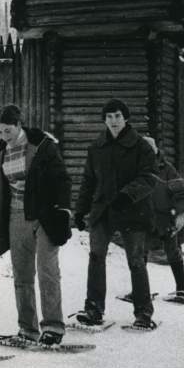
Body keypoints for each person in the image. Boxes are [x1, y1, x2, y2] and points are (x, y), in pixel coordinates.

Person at [0, 104, 72, 346]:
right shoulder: (0, 151)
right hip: (15, 216)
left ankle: (52, 327)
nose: (2, 136)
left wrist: (62, 211)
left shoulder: (42, 145)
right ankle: (27, 328)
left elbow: (62, 179)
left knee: (48, 270)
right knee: (22, 274)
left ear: (19, 126)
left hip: (44, 216)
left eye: (7, 131)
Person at [74, 98, 159, 330]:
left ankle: (143, 313)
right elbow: (88, 182)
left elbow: (149, 178)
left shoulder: (141, 146)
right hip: (103, 211)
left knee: (136, 261)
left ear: (126, 118)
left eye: (118, 116)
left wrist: (127, 195)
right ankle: (93, 309)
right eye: (109, 117)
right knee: (96, 256)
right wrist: (80, 210)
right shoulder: (96, 148)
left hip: (133, 210)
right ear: (104, 120)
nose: (113, 121)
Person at [117, 136, 184, 304]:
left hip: (165, 219)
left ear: (156, 151)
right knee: (139, 253)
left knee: (173, 252)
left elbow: (180, 192)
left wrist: (180, 215)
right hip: (142, 218)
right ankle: (139, 292)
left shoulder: (166, 170)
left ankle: (181, 290)